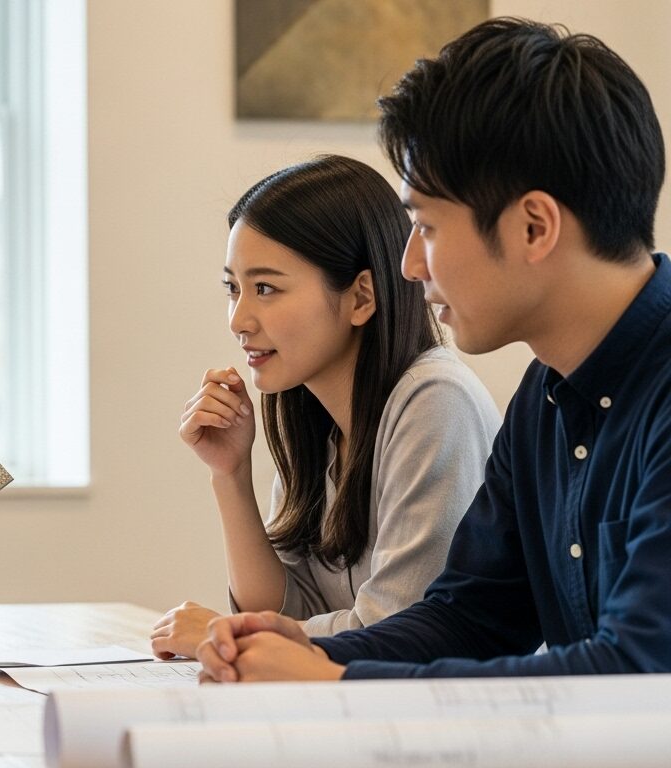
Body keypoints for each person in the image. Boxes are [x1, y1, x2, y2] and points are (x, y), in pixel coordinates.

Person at [197, 17, 671, 683]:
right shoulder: (547, 394)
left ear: (534, 225)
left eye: (424, 227)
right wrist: (306, 648)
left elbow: (637, 669)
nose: (411, 267)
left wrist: (335, 679)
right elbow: (470, 617)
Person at [150, 156, 500, 660]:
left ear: (361, 297)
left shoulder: (435, 401)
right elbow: (291, 613)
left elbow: (391, 631)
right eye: (233, 288)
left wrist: (234, 635)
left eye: (265, 288)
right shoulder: (315, 417)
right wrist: (228, 473)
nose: (238, 320)